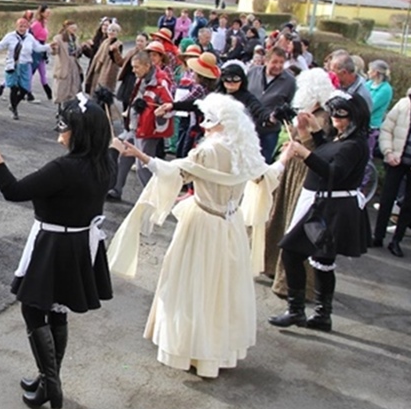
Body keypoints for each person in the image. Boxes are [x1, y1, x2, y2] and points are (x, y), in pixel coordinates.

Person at [109, 93, 286, 378]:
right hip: (231, 227)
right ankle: (216, 353)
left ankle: (189, 350)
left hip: (202, 224)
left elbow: (174, 173)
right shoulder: (247, 152)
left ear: (222, 125)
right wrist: (286, 156)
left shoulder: (207, 152)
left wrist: (139, 154)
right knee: (222, 289)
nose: (204, 126)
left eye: (209, 121)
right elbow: (268, 176)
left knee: (192, 285)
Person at [0, 94, 114, 409]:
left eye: (64, 128)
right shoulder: (105, 161)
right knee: (57, 308)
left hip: (53, 243)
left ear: (81, 133)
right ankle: (48, 377)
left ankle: (51, 383)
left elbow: (14, 191)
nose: (59, 134)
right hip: (79, 245)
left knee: (33, 309)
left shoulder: (64, 168)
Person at [269, 92, 371, 332]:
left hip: (331, 209)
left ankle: (297, 311)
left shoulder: (355, 145)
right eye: (333, 113)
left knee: (293, 252)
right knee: (322, 260)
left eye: (342, 114)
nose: (336, 118)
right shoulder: (342, 138)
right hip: (324, 205)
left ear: (355, 116)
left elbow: (333, 171)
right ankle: (322, 316)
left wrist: (304, 152)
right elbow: (327, 151)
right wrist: (312, 133)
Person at [263, 68, 335, 293]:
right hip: (293, 167)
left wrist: (301, 139)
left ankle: (291, 283)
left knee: (295, 221)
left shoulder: (322, 117)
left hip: (305, 172)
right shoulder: (307, 111)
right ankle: (272, 265)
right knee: (280, 216)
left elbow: (317, 148)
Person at [108, 50, 174, 202]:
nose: (133, 70)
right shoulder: (142, 78)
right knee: (122, 156)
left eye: (136, 67)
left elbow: (170, 106)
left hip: (148, 130)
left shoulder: (160, 81)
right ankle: (116, 189)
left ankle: (155, 199)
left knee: (142, 167)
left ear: (147, 65)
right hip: (135, 127)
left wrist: (160, 112)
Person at [374, 86, 411, 257]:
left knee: (409, 204)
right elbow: (387, 129)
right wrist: (388, 152)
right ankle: (378, 236)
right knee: (387, 199)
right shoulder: (404, 104)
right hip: (396, 160)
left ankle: (396, 241)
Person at [0, 16, 49, 120]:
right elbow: (0, 46)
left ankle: (14, 104)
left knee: (25, 89)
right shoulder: (10, 36)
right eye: (20, 26)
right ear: (16, 26)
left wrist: (49, 47)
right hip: (12, 64)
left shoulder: (30, 37)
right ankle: (14, 109)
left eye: (24, 26)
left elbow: (38, 47)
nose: (22, 28)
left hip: (25, 65)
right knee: (13, 88)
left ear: (27, 27)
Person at [246, 47, 297, 162]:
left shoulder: (290, 81)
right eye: (274, 62)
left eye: (281, 63)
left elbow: (289, 103)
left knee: (263, 162)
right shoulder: (252, 72)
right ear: (266, 61)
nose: (278, 66)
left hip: (269, 131)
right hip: (248, 127)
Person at [49, 20, 87, 107]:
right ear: (66, 28)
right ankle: (60, 109)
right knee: (62, 88)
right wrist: (53, 48)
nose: (74, 30)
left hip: (74, 64)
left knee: (73, 87)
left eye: (75, 28)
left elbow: (77, 52)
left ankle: (70, 107)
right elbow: (55, 52)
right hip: (64, 66)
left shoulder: (75, 38)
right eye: (72, 28)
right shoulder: (58, 38)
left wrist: (82, 48)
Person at [83, 21, 124, 95]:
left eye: (113, 31)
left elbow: (118, 61)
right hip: (99, 68)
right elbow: (97, 55)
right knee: (95, 89)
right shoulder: (105, 42)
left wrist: (115, 51)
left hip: (108, 70)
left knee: (104, 91)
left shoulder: (118, 44)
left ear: (117, 32)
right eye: (109, 30)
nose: (111, 32)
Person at [366, 60, 394, 152]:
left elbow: (371, 106)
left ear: (376, 72)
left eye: (370, 70)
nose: (368, 72)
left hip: (372, 125)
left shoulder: (386, 89)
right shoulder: (368, 84)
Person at [28, 5, 53, 102]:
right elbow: (30, 36)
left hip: (42, 48)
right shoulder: (36, 24)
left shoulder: (44, 23)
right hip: (35, 49)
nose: (48, 15)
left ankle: (49, 92)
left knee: (43, 71)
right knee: (31, 71)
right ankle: (28, 93)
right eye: (47, 13)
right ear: (41, 13)